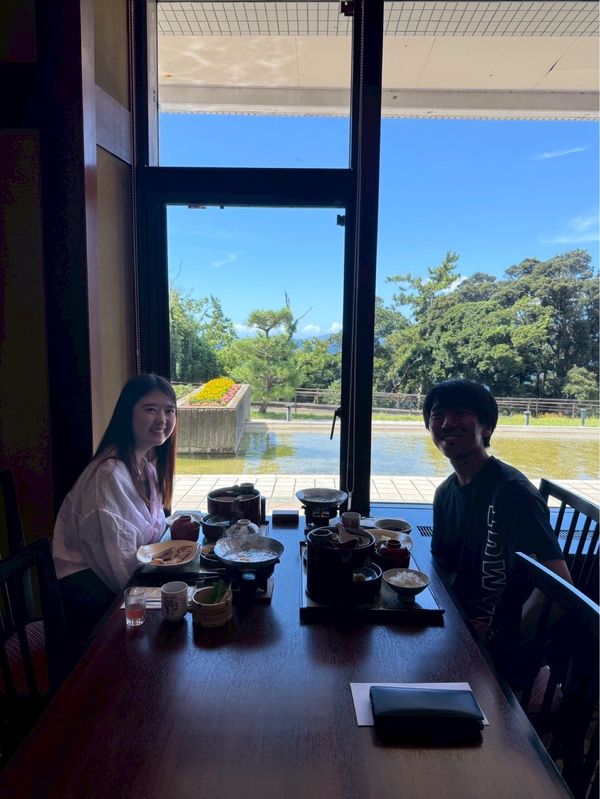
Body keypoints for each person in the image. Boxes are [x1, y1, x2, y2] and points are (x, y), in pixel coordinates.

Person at [422, 379, 571, 680]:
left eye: (461, 413)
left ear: (486, 427)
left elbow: (559, 587)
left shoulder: (512, 493)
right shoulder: (445, 493)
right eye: (438, 415)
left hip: (499, 655)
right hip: (456, 629)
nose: (448, 423)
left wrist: (500, 638)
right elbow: (443, 570)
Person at [53, 373, 177, 647]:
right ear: (127, 414)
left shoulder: (145, 466)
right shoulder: (108, 474)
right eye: (150, 409)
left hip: (121, 587)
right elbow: (118, 566)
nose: (162, 420)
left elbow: (151, 539)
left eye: (169, 410)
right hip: (92, 606)